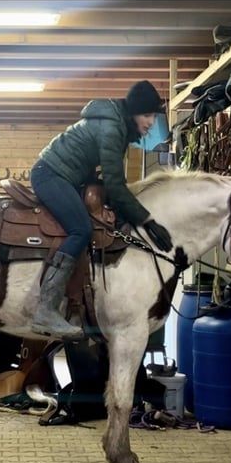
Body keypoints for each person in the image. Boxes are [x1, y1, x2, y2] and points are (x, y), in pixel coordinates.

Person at [29, 80, 174, 337]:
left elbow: (110, 182)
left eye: (154, 115)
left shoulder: (116, 125)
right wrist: (147, 221)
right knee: (81, 230)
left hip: (64, 175)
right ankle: (46, 309)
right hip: (50, 175)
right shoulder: (112, 130)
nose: (151, 122)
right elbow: (117, 187)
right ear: (133, 112)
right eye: (147, 114)